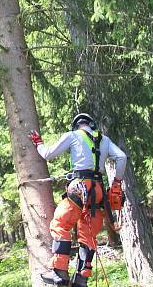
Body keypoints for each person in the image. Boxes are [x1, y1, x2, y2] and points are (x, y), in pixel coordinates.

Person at [29, 113, 127, 286]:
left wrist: (38, 142)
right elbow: (122, 157)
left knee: (60, 224)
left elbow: (48, 154)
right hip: (98, 191)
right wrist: (117, 182)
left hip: (80, 187)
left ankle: (59, 272)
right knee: (88, 236)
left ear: (76, 125)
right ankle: (81, 280)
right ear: (92, 125)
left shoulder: (72, 135)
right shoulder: (104, 140)